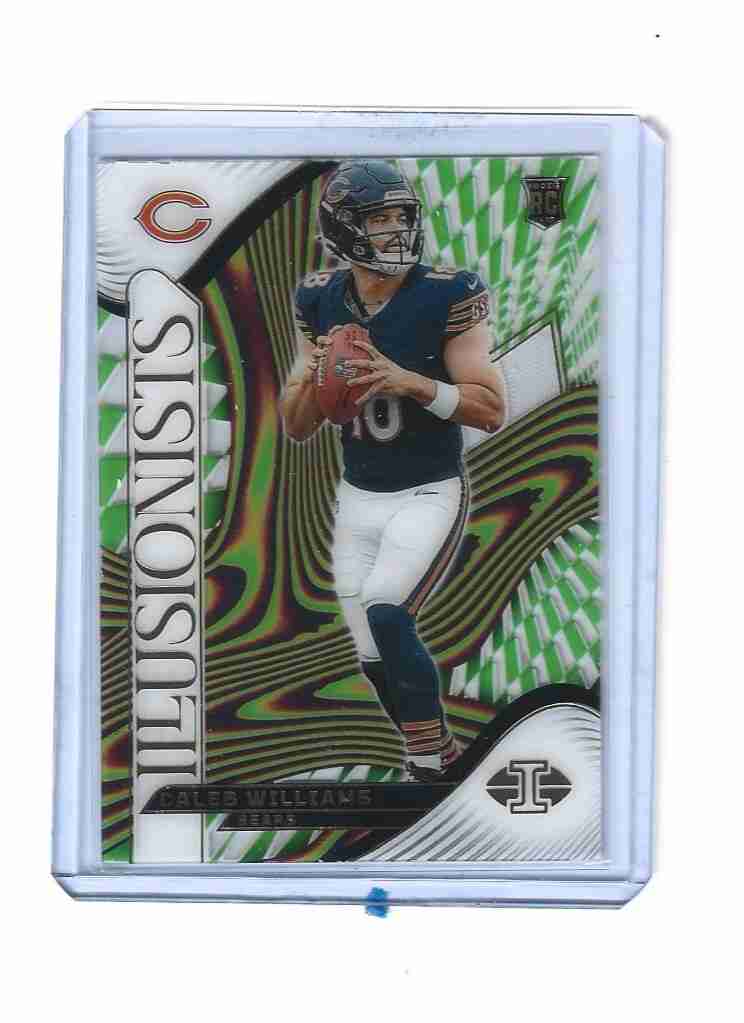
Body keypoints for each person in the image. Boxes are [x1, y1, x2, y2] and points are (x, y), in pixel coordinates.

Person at [280, 160, 505, 780]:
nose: (396, 230)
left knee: (386, 609)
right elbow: (296, 426)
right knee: (370, 652)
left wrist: (412, 382)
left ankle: (429, 763)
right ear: (343, 227)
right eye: (379, 219)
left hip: (428, 490)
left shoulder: (446, 293)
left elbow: (491, 410)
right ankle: (438, 753)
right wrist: (316, 378)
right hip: (357, 497)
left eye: (402, 216)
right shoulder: (319, 297)